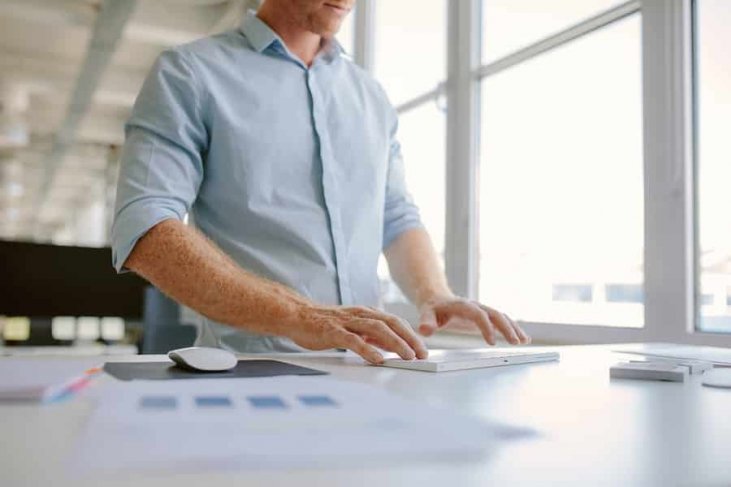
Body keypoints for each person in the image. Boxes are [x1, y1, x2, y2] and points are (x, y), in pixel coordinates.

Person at [111, 0, 530, 364]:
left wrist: (433, 292)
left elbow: (395, 215)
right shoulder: (190, 74)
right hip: (251, 370)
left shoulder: (371, 96)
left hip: (374, 370)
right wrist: (300, 316)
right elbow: (146, 226)